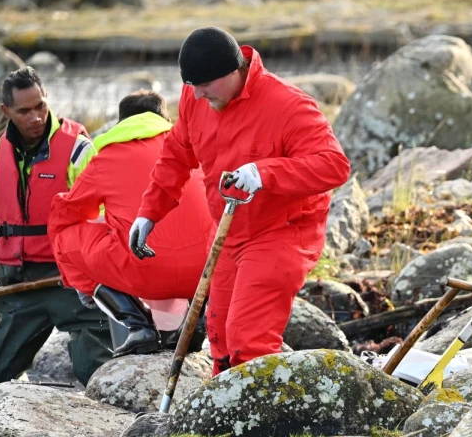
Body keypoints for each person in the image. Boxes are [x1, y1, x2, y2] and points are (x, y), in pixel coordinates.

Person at [130, 27, 351, 375]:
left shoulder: (288, 105)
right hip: (227, 233)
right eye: (191, 85)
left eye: (206, 85)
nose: (198, 94)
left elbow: (335, 166)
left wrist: (265, 173)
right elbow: (175, 156)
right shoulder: (195, 98)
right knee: (219, 340)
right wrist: (148, 214)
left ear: (235, 70)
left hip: (283, 232)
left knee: (248, 339)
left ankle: (261, 428)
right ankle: (218, 428)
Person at [0, 67, 112, 385]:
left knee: (94, 371)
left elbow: (103, 216)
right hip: (19, 284)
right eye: (24, 111)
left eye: (40, 106)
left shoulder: (78, 150)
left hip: (72, 283)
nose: (36, 117)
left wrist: (93, 274)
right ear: (6, 111)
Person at [48, 90, 214, 357]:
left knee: (62, 237)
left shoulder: (107, 158)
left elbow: (66, 216)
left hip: (143, 271)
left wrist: (84, 282)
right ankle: (200, 319)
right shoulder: (196, 146)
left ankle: (138, 327)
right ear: (166, 119)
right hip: (206, 274)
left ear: (121, 123)